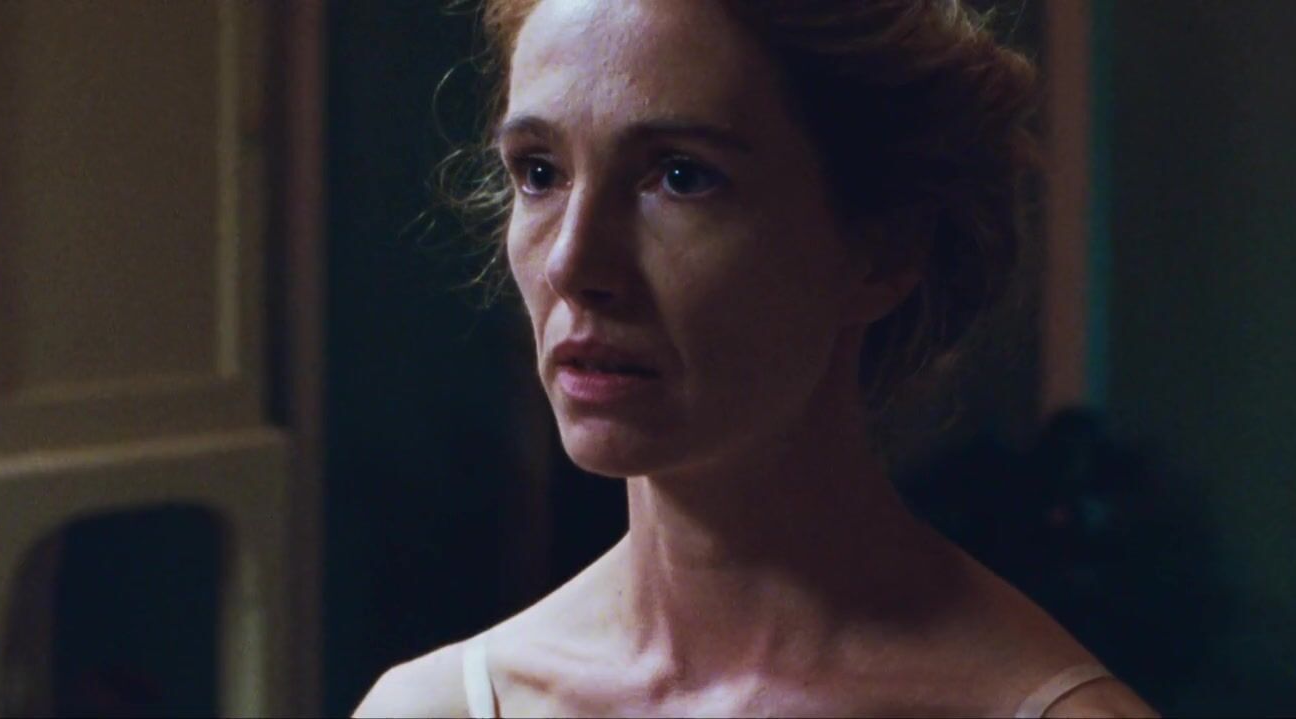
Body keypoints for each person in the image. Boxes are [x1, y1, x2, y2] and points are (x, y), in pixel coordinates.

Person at [356, 0, 1158, 716]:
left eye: (680, 176)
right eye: (540, 173)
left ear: (883, 248)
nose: (572, 262)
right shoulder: (438, 708)